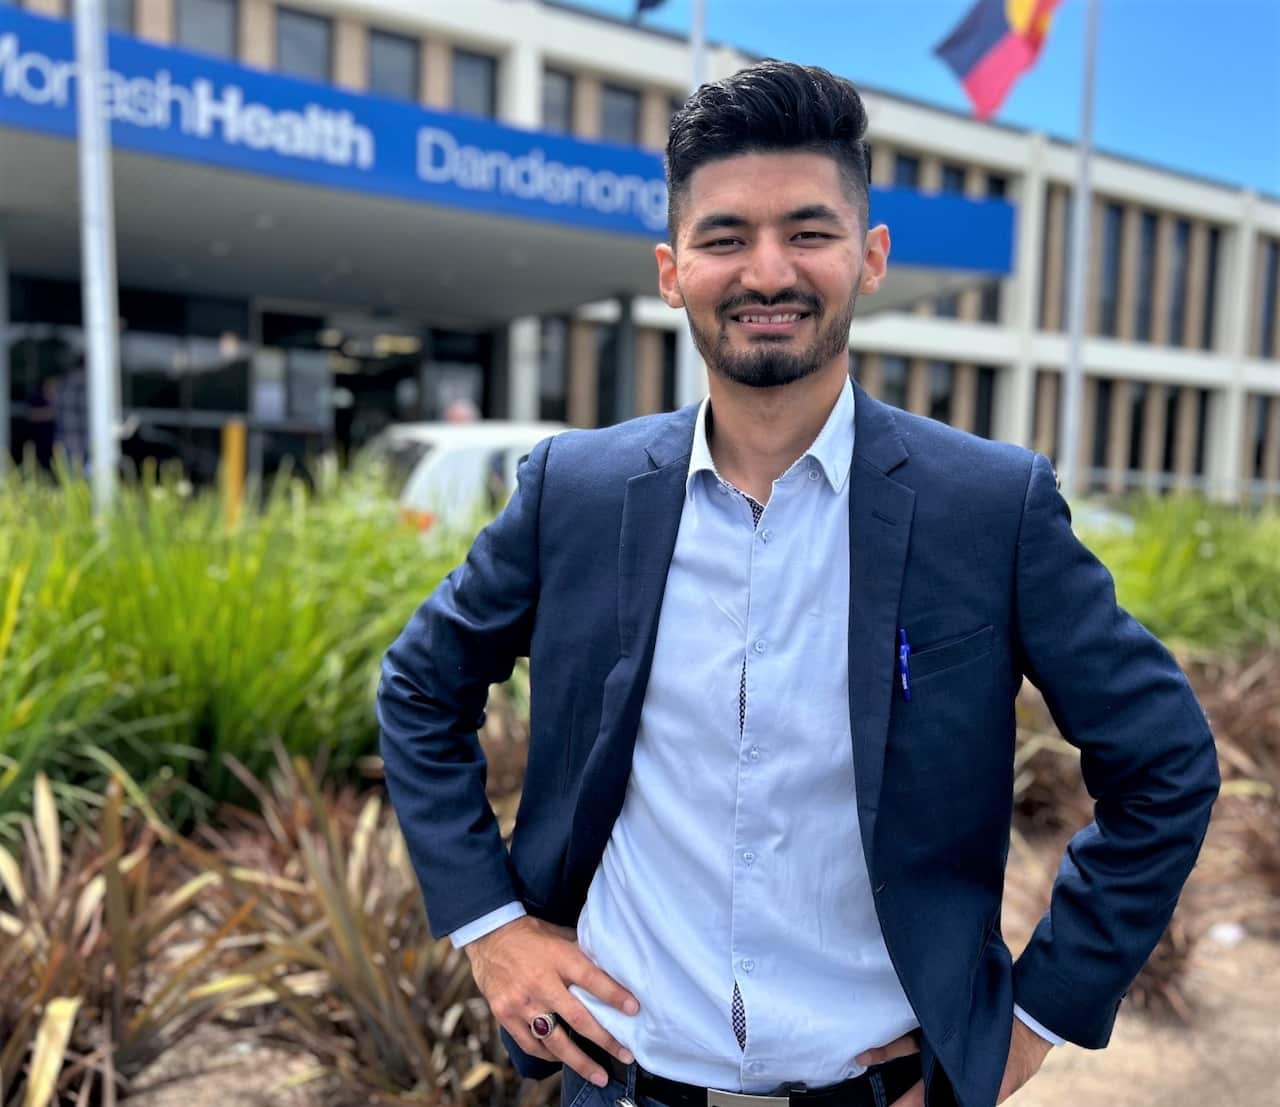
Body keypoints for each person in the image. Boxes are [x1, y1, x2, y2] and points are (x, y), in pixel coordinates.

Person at [377, 61, 1219, 1107]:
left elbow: (1166, 765)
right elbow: (418, 690)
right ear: (670, 270)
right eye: (723, 237)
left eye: (807, 233)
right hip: (621, 1083)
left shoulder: (986, 508)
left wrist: (1030, 1020)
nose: (765, 271)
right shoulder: (576, 492)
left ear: (868, 258)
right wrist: (492, 927)